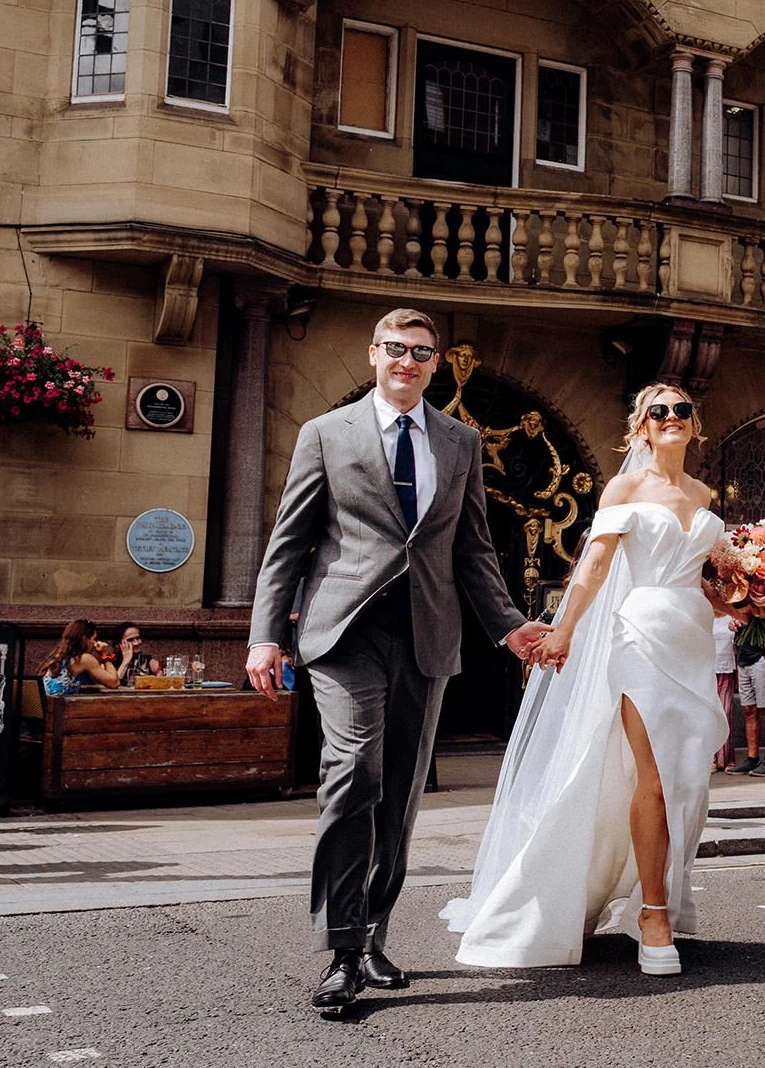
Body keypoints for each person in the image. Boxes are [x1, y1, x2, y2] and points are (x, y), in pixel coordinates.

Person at [248, 307, 538, 1014]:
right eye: (396, 349)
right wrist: (266, 634)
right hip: (344, 632)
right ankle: (342, 949)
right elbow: (289, 541)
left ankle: (374, 931)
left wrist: (509, 628)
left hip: (426, 633)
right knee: (354, 773)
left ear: (435, 363)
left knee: (401, 794)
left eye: (421, 352)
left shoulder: (460, 441)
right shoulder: (326, 433)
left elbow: (472, 549)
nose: (407, 361)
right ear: (373, 353)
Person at [444, 381, 738, 976]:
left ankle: (661, 899)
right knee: (653, 777)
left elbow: (712, 584)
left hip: (691, 640)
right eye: (660, 411)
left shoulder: (704, 493)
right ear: (643, 428)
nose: (673, 417)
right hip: (639, 642)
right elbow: (594, 568)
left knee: (687, 783)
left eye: (683, 409)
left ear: (693, 423)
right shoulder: (625, 487)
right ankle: (653, 915)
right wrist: (564, 630)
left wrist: (751, 594)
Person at [728, 604, 765, 777]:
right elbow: (736, 620)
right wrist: (734, 624)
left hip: (761, 659)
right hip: (744, 659)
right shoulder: (742, 599)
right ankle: (752, 758)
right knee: (748, 710)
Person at [40, 619, 121, 693]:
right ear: (85, 639)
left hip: (44, 705)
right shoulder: (85, 659)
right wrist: (105, 654)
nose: (95, 643)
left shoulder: (60, 656)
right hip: (59, 707)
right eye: (94, 638)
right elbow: (114, 683)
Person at [710, 600, 738, 772]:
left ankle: (727, 757)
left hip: (726, 669)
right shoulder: (705, 616)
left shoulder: (731, 616)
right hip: (707, 670)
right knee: (710, 713)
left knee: (725, 712)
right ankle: (712, 757)